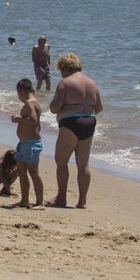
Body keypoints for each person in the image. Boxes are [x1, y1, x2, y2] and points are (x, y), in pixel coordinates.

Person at [49, 53, 103, 208]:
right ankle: (82, 201)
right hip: (89, 122)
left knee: (61, 161)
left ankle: (61, 198)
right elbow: (99, 107)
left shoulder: (65, 83)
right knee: (83, 164)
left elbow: (54, 108)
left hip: (70, 122)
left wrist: (68, 109)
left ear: (64, 68)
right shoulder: (92, 83)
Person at [12, 78, 45, 210]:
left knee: (33, 172)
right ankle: (24, 200)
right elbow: (38, 125)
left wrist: (18, 119)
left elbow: (33, 120)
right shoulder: (34, 102)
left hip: (31, 144)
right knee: (21, 171)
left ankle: (40, 202)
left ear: (21, 92)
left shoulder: (29, 103)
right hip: (24, 143)